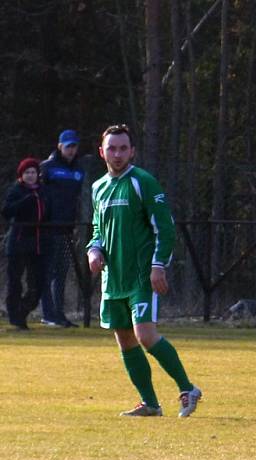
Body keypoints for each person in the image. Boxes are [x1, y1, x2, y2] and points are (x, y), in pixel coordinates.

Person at [87, 124, 202, 417]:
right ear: (102, 152)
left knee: (146, 335)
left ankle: (188, 389)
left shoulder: (142, 182)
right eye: (111, 148)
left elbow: (165, 227)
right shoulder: (98, 187)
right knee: (125, 339)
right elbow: (98, 228)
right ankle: (150, 403)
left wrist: (157, 266)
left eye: (123, 148)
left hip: (141, 275)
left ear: (132, 151)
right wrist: (94, 249)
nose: (117, 154)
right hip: (113, 278)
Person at [39, 129, 85, 327]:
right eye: (68, 146)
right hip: (48, 228)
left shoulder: (79, 170)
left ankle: (59, 314)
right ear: (60, 146)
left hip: (67, 229)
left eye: (74, 146)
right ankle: (48, 314)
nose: (71, 150)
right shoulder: (47, 168)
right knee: (46, 272)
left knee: (61, 273)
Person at [2, 158, 51, 331]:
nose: (30, 176)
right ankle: (15, 317)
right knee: (15, 282)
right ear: (21, 175)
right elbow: (7, 212)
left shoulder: (44, 191)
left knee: (37, 284)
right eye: (27, 173)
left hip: (38, 245)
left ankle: (22, 311)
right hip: (18, 243)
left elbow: (49, 212)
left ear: (38, 174)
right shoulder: (16, 190)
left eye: (33, 172)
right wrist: (24, 202)